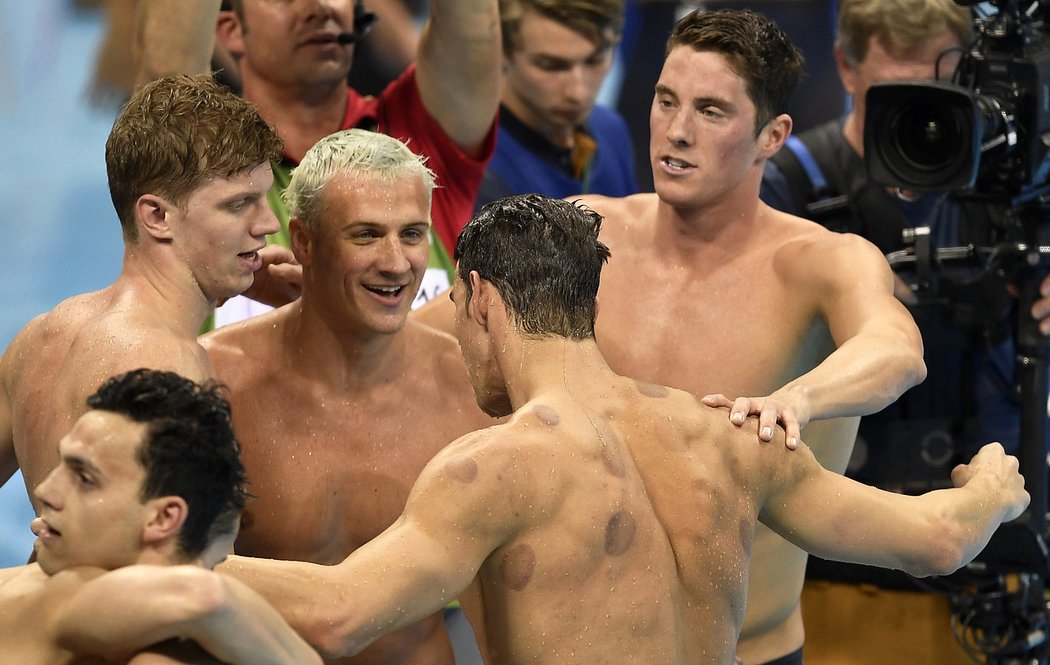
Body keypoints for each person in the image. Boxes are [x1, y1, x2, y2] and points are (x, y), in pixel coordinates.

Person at [217, 193, 1028, 665]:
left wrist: (155, 554)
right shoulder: (727, 435)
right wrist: (990, 487)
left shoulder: (496, 468)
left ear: (483, 303)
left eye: (457, 314)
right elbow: (938, 541)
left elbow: (336, 611)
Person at [408, 15, 927, 662]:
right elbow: (430, 334)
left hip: (750, 649)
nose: (677, 131)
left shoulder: (821, 263)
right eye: (665, 101)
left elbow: (896, 350)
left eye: (711, 110)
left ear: (773, 135)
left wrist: (800, 398)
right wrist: (324, 312)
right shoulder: (581, 234)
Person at [757, 1, 1048, 661]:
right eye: (901, 92)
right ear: (846, 67)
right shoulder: (784, 185)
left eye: (941, 92)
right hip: (835, 563)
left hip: (998, 547)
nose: (925, 111)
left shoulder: (1011, 185)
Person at [200, 129, 495, 665]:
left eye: (411, 234)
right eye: (365, 235)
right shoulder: (216, 384)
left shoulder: (473, 391)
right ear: (305, 242)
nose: (396, 262)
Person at [0, 74, 283, 515]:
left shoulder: (37, 338)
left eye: (265, 198)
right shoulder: (171, 369)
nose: (269, 224)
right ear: (156, 216)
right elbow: (182, 567)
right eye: (238, 204)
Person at [201, 0, 500, 325]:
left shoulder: (419, 129)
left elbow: (471, 21)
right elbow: (164, 66)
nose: (319, 7)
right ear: (230, 31)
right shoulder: (201, 156)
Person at [0, 368, 320, 664]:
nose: (44, 490)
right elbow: (202, 596)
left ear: (164, 518)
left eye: (84, 478)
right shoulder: (64, 594)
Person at [473, 0, 637, 210]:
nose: (578, 92)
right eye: (551, 66)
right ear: (501, 50)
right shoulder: (476, 168)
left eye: (595, 60)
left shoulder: (612, 131)